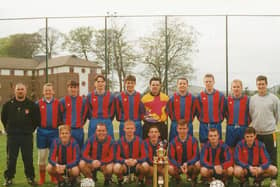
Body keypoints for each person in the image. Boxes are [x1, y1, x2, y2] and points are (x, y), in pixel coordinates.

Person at [1, 83, 40, 186]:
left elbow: (36, 120)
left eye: (22, 89)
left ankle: (30, 178)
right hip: (12, 136)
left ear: (25, 91)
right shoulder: (8, 105)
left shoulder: (32, 105)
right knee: (11, 159)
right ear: (15, 91)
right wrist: (9, 129)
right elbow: (4, 118)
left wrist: (30, 130)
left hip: (26, 136)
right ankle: (9, 178)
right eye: (18, 89)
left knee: (28, 158)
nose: (20, 91)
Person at [249, 75, 279, 187]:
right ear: (256, 85)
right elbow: (252, 114)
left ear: (266, 84)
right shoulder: (253, 99)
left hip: (270, 133)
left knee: (272, 156)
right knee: (258, 158)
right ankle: (258, 180)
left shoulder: (274, 98)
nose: (261, 86)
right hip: (257, 133)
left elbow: (277, 116)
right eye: (259, 84)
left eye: (263, 84)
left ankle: (273, 180)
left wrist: (270, 126)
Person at [36, 83, 61, 185]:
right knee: (42, 156)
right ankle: (42, 178)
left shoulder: (58, 103)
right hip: (42, 132)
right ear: (43, 92)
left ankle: (53, 177)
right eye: (46, 90)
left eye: (49, 90)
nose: (48, 92)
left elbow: (62, 117)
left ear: (53, 91)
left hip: (54, 132)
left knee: (53, 156)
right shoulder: (38, 103)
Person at [113, 120, 149, 186]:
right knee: (116, 167)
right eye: (127, 128)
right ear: (124, 129)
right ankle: (121, 180)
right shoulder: (119, 141)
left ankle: (140, 180)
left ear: (135, 129)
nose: (129, 130)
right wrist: (125, 161)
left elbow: (145, 156)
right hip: (124, 165)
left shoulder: (140, 141)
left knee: (145, 166)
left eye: (131, 128)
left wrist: (136, 160)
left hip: (136, 164)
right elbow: (115, 157)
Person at [196, 74, 225, 147]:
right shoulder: (200, 96)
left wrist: (217, 120)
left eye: (210, 81)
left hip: (216, 124)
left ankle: (217, 158)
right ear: (204, 82)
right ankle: (204, 158)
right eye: (206, 82)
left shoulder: (220, 95)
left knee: (217, 144)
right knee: (203, 144)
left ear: (214, 82)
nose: (208, 83)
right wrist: (203, 120)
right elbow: (198, 111)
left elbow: (223, 110)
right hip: (204, 124)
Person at [168, 119, 200, 187]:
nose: (182, 131)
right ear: (177, 129)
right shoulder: (173, 142)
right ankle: (178, 180)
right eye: (180, 128)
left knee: (198, 164)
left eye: (184, 128)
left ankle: (193, 179)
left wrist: (187, 163)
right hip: (178, 166)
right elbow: (171, 158)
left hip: (190, 165)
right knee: (169, 168)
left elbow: (196, 156)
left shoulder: (193, 140)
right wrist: (179, 165)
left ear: (187, 129)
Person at [59, 80, 88, 148]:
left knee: (79, 149)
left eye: (75, 87)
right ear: (68, 88)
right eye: (71, 87)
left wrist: (81, 124)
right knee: (67, 150)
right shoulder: (62, 101)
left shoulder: (83, 101)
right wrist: (64, 126)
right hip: (67, 130)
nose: (73, 89)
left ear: (77, 88)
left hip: (79, 130)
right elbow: (59, 115)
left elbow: (85, 114)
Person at [167, 77, 196, 142]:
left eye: (184, 83)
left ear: (187, 85)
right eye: (180, 83)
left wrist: (188, 120)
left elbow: (194, 111)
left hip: (188, 124)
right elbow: (169, 111)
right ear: (177, 85)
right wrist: (175, 120)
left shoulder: (193, 98)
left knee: (189, 143)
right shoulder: (172, 98)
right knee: (174, 143)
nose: (182, 85)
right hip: (175, 124)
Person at [225, 79, 250, 153]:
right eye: (234, 87)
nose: (236, 89)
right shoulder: (227, 100)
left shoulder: (247, 99)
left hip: (243, 128)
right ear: (231, 88)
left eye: (238, 87)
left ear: (241, 88)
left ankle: (242, 164)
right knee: (230, 148)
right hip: (231, 128)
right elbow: (224, 113)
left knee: (243, 149)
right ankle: (231, 164)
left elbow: (250, 113)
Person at [86, 74, 115, 139]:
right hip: (94, 121)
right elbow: (88, 110)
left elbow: (112, 111)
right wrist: (93, 118)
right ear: (95, 83)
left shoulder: (111, 96)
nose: (100, 83)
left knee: (109, 141)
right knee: (92, 141)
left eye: (102, 82)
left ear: (105, 83)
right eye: (98, 82)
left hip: (107, 121)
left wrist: (108, 118)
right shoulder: (89, 96)